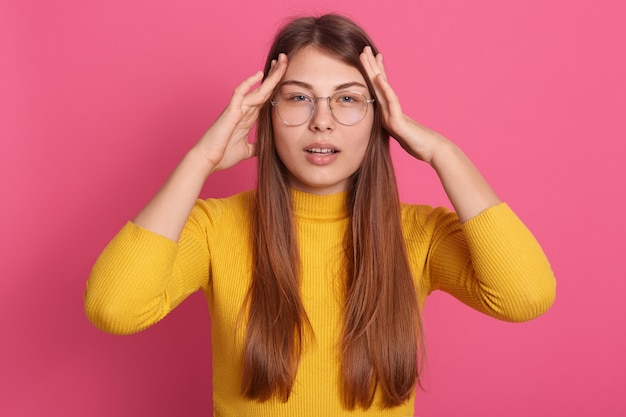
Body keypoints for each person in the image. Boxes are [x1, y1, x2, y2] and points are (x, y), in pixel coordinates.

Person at [85, 13, 556, 416]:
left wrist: (442, 153)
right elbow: (114, 307)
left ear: (380, 120)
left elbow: (525, 295)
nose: (322, 120)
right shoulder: (216, 228)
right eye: (298, 97)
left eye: (348, 99)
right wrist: (199, 160)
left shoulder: (418, 234)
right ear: (267, 113)